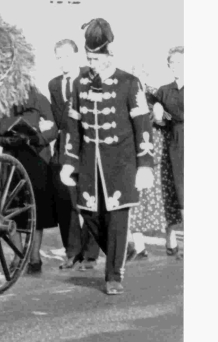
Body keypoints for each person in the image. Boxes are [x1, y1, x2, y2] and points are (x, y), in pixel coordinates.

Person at [59, 18, 153, 294]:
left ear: (109, 54)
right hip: (90, 162)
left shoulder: (129, 82)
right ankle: (121, 249)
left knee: (117, 219)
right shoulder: (80, 84)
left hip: (121, 163)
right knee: (87, 212)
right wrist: (69, 161)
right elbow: (73, 128)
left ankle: (114, 274)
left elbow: (143, 125)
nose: (93, 63)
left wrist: (145, 164)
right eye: (89, 58)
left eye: (97, 58)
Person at [0, 83, 59, 273]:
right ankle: (18, 253)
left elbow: (53, 129)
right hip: (11, 160)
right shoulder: (2, 101)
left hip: (36, 159)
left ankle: (34, 256)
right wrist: (6, 140)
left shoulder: (39, 100)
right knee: (12, 208)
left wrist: (35, 138)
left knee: (35, 208)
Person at [49, 39, 100, 271]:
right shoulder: (53, 84)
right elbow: (58, 120)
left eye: (67, 57)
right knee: (65, 202)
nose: (63, 62)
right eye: (59, 57)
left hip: (86, 145)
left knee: (89, 199)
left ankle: (90, 253)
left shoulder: (90, 79)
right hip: (63, 148)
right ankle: (72, 252)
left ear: (77, 56)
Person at [149, 46, 184, 253]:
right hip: (176, 143)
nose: (176, 67)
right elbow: (160, 123)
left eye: (181, 62)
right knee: (179, 191)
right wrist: (159, 114)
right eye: (173, 63)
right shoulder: (164, 91)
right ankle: (174, 239)